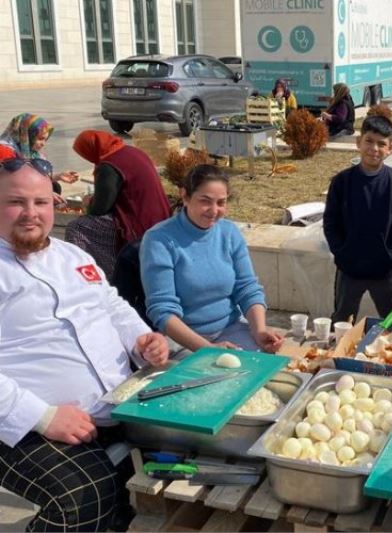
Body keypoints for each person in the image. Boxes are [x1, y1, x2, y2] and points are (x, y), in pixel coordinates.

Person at [0, 159, 170, 532]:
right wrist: (43, 416)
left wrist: (141, 340)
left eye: (41, 202)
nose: (31, 214)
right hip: (22, 423)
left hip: (115, 405)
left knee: (177, 460)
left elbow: (111, 306)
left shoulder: (72, 256)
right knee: (84, 495)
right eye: (16, 202)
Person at [140, 164, 284, 355]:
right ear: (185, 196)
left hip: (231, 329)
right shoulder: (159, 239)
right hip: (184, 341)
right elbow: (163, 310)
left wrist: (259, 330)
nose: (214, 210)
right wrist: (207, 349)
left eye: (221, 203)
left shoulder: (229, 232)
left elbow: (247, 287)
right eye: (205, 201)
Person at [322, 115, 392, 323]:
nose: (374, 148)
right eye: (369, 141)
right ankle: (340, 352)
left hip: (385, 270)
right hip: (350, 268)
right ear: (358, 142)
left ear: (391, 148)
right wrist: (342, 252)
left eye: (382, 144)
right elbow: (330, 223)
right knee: (343, 320)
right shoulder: (342, 182)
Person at [66, 129, 172, 278]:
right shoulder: (130, 151)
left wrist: (88, 203)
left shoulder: (109, 166)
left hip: (138, 223)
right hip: (160, 215)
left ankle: (97, 275)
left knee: (76, 227)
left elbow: (100, 208)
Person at [0, 112, 79, 194]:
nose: (43, 144)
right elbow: (14, 184)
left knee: (55, 186)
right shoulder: (4, 152)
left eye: (45, 139)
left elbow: (34, 176)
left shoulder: (31, 152)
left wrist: (59, 176)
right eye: (40, 139)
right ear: (26, 135)